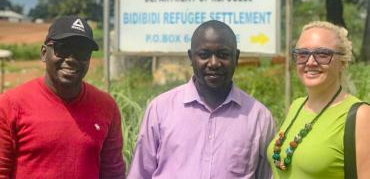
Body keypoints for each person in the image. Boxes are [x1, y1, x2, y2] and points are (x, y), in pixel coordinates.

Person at [128, 20, 275, 179]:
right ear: (191, 57)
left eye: (223, 55)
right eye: (204, 55)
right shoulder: (160, 109)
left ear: (236, 57)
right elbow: (140, 173)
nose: (213, 63)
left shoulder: (258, 117)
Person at [0, 15, 126, 178]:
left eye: (82, 51)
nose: (72, 59)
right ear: (44, 53)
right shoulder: (11, 104)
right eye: (63, 48)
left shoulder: (106, 106)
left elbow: (113, 172)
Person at [267, 21, 370, 178]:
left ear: (342, 62)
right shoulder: (296, 106)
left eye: (322, 54)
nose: (310, 62)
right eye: (303, 54)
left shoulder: (360, 116)